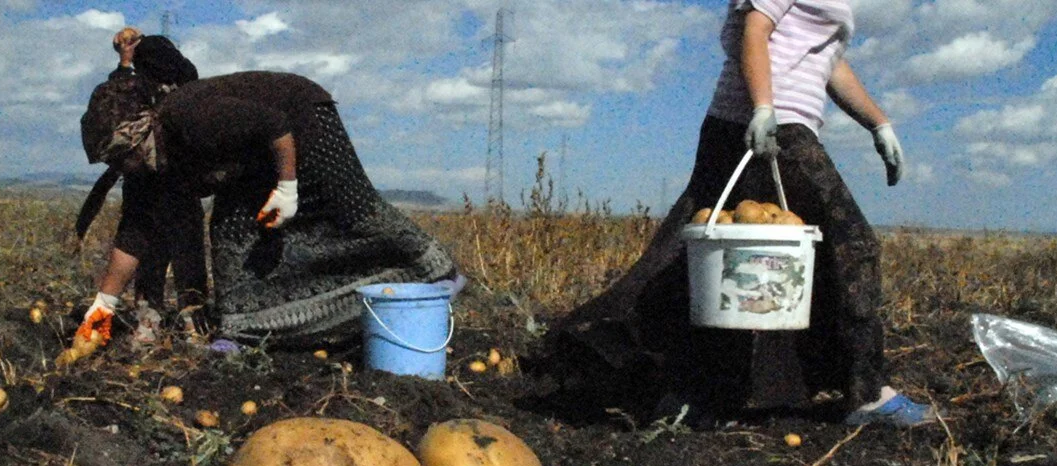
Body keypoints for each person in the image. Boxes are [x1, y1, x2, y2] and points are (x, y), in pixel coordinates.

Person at [538, 0, 933, 428]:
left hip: (754, 124)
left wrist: (878, 123)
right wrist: (764, 107)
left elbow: (828, 62)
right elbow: (754, 30)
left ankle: (664, 378)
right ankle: (866, 393)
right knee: (849, 246)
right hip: (767, 125)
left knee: (696, 257)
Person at [77, 68, 458, 346]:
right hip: (251, 160)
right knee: (230, 235)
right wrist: (103, 306)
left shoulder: (189, 118)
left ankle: (432, 270)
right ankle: (245, 328)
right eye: (115, 163)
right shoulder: (149, 167)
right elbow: (135, 234)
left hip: (303, 121)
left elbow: (274, 124)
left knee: (350, 210)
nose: (124, 168)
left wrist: (288, 187)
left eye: (125, 156)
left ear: (142, 131)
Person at [74, 29, 206, 348]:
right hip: (179, 180)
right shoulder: (188, 89)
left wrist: (125, 61)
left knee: (136, 240)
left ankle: (133, 316)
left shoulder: (130, 86)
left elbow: (114, 99)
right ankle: (192, 322)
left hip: (143, 181)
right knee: (185, 244)